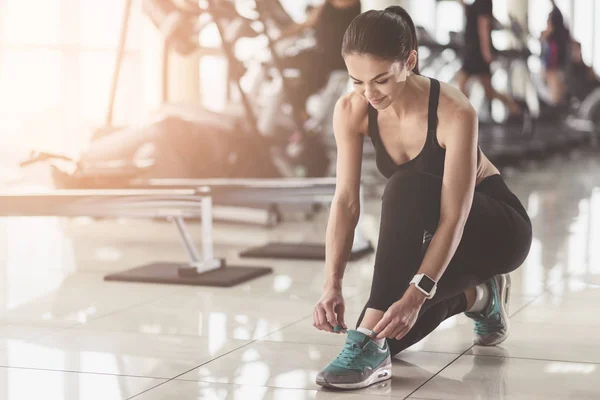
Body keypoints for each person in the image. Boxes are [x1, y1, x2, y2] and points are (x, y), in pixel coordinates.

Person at [312, 6, 532, 390]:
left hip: (495, 229)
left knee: (404, 186)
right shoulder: (351, 109)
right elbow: (346, 200)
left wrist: (416, 293)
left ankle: (369, 340)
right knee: (389, 334)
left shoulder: (454, 111)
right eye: (357, 81)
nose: (369, 93)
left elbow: (455, 216)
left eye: (380, 79)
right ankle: (481, 295)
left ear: (409, 61)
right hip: (441, 236)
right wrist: (332, 283)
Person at [275, 0, 362, 121]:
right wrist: (279, 36)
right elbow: (305, 24)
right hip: (320, 54)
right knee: (285, 62)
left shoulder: (359, 8)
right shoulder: (326, 5)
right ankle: (299, 112)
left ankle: (302, 114)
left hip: (336, 61)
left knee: (312, 69)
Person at [455, 0, 523, 118]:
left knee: (462, 81)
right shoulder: (477, 3)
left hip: (477, 52)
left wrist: (486, 51)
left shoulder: (484, 1)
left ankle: (463, 116)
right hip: (474, 50)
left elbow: (484, 25)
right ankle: (515, 108)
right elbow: (472, 14)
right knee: (489, 91)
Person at [539, 1, 570, 106]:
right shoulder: (551, 38)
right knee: (555, 94)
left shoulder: (556, 39)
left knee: (556, 96)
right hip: (553, 69)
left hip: (554, 69)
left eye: (548, 20)